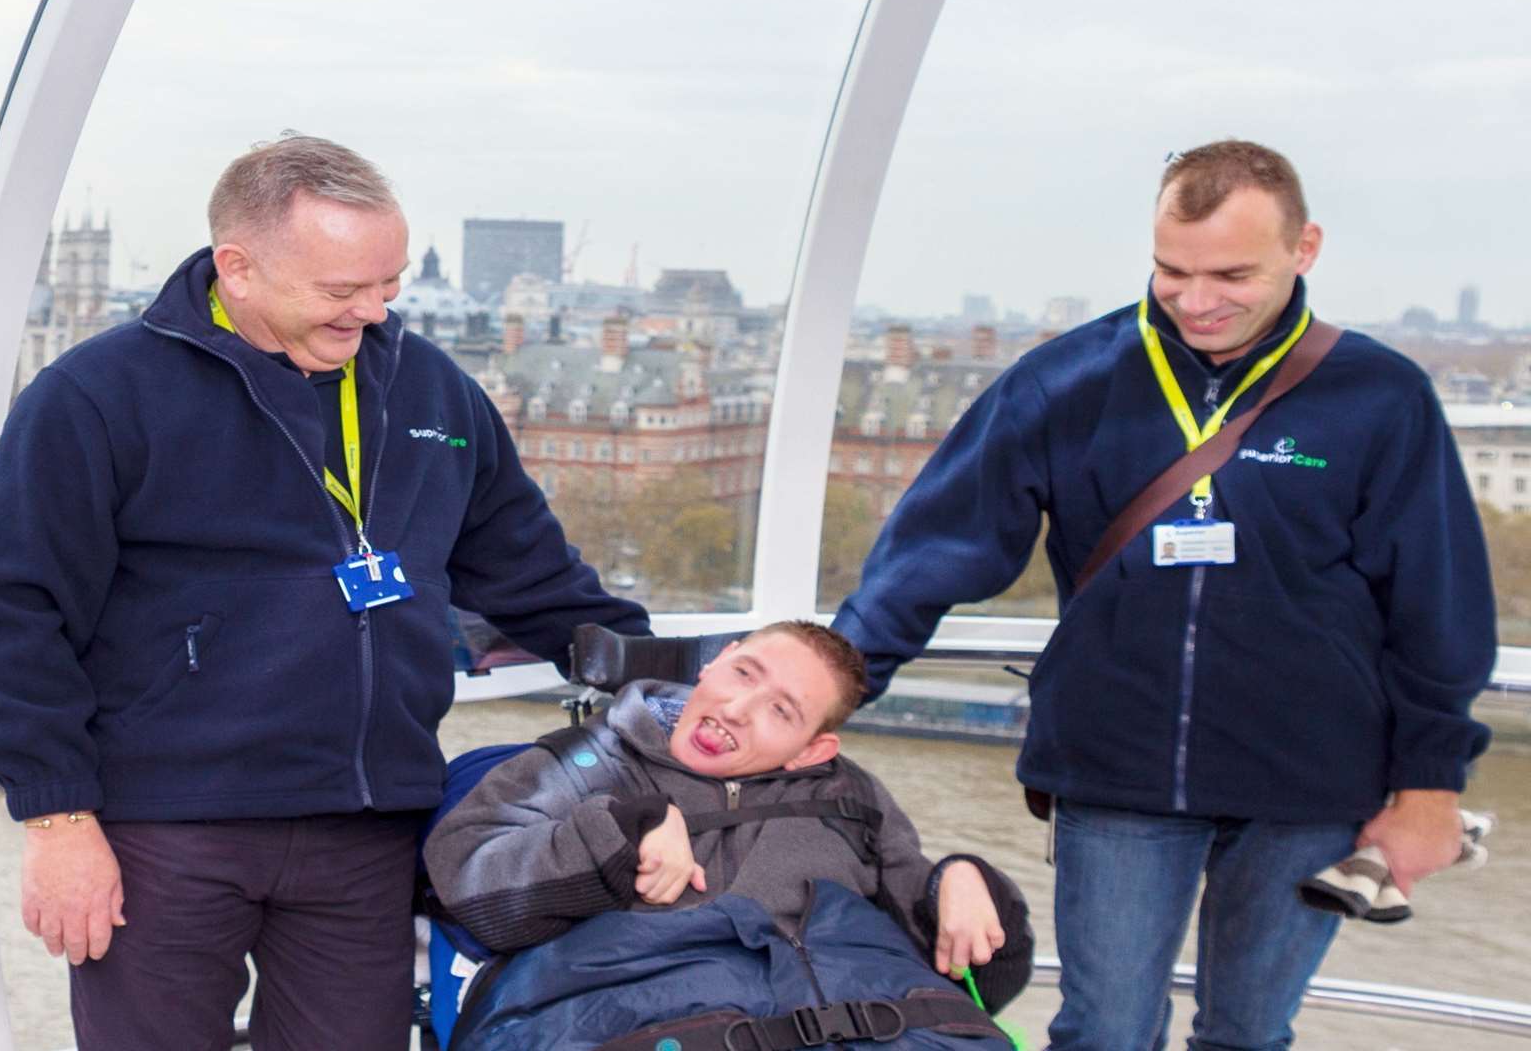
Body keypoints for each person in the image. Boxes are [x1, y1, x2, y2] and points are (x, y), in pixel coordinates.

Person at [0, 134, 649, 1050]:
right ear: (236, 269)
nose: (371, 313)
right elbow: (14, 614)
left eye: (388, 285)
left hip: (366, 829)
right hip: (165, 831)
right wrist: (57, 818)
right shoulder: (95, 396)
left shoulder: (433, 391)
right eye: (339, 290)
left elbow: (536, 579)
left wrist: (670, 686)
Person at [832, 140, 1494, 1049]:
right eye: (1171, 270)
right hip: (1117, 769)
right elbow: (941, 545)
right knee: (1104, 1030)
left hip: (1309, 781)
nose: (1197, 300)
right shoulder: (1067, 381)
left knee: (1250, 1032)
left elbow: (1436, 603)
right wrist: (832, 683)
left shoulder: (1379, 396)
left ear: (1305, 249)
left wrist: (1430, 781)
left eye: (1231, 273)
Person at [424, 621, 1033, 1050]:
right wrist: (625, 830)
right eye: (743, 673)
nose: (738, 708)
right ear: (716, 661)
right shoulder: (584, 764)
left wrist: (961, 880)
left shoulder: (854, 801)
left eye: (781, 710)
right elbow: (468, 882)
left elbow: (970, 978)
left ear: (812, 751)